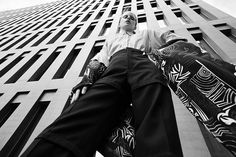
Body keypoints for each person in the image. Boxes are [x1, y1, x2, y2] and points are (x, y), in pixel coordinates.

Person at [22, 11, 187, 157]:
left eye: (132, 17)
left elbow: (168, 38)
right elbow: (100, 60)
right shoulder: (111, 40)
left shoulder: (148, 33)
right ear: (120, 22)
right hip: (114, 67)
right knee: (85, 108)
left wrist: (183, 49)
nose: (129, 18)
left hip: (144, 63)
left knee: (155, 108)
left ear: (136, 24)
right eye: (125, 16)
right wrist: (87, 79)